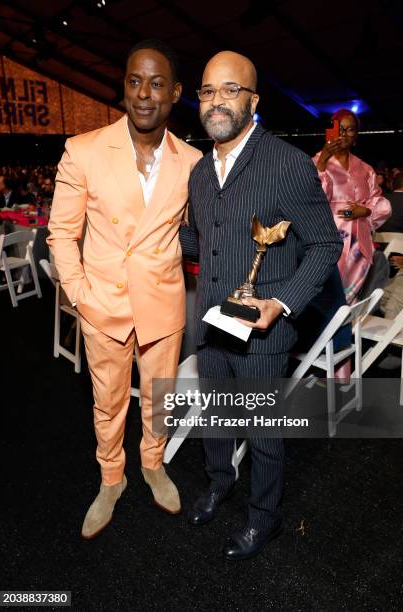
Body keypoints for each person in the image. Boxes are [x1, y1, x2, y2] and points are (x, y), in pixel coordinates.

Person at [180, 51, 343, 560]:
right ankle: (218, 482)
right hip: (209, 322)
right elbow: (203, 240)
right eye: (208, 91)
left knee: (265, 434)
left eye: (231, 90)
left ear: (253, 100)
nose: (217, 101)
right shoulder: (201, 173)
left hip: (263, 333)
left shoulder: (289, 165)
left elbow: (325, 245)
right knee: (215, 418)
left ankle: (264, 518)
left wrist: (283, 301)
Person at [47, 39, 201, 539]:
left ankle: (153, 465)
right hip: (103, 304)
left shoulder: (193, 162)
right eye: (135, 81)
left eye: (157, 84)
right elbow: (61, 234)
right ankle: (111, 477)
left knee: (159, 397)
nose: (143, 94)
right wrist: (81, 295)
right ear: (124, 86)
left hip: (162, 302)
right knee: (108, 401)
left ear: (175, 93)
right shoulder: (84, 149)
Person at [312, 109, 391, 304]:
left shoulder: (365, 169)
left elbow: (379, 202)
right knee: (328, 296)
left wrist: (365, 210)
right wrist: (322, 162)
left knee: (352, 300)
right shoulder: (314, 162)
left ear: (356, 135)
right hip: (329, 238)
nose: (344, 134)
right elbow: (312, 199)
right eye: (340, 129)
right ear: (330, 131)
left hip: (359, 242)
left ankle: (347, 330)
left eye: (350, 129)